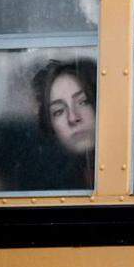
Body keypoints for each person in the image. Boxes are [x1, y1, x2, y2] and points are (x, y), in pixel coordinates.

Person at [31, 58, 96, 189]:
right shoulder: (43, 186)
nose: (73, 118)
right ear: (50, 127)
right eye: (59, 111)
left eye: (83, 102)